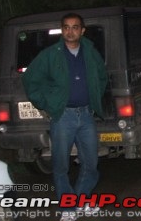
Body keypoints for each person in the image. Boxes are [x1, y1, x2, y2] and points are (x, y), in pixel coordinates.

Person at [22, 13, 108, 221]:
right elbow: (31, 79)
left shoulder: (91, 52)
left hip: (87, 115)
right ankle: (68, 210)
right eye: (67, 27)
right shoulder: (51, 54)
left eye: (75, 27)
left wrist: (95, 97)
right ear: (62, 30)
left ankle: (78, 201)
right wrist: (46, 103)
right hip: (62, 117)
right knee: (61, 166)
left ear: (82, 30)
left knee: (91, 163)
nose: (71, 31)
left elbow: (102, 76)